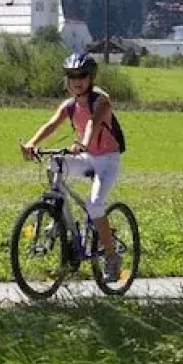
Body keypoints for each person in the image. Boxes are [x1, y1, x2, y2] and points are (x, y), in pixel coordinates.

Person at [21, 51, 125, 280]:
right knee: (55, 163)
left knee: (95, 205)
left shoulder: (101, 100)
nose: (77, 82)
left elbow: (93, 124)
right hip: (86, 158)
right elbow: (51, 125)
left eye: (82, 77)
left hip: (107, 160)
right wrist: (31, 144)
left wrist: (83, 143)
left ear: (91, 78)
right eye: (72, 77)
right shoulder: (69, 106)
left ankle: (111, 258)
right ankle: (59, 219)